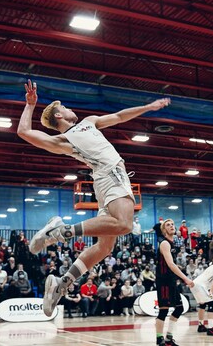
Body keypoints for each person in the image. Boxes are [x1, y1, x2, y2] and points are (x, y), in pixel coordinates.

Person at [18, 79, 170, 317]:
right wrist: (30, 105)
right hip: (110, 175)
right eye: (65, 107)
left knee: (105, 247)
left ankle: (62, 283)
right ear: (59, 114)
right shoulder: (63, 140)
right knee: (124, 224)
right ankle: (57, 232)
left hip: (106, 180)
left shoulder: (89, 122)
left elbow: (119, 117)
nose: (70, 108)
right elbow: (24, 132)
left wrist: (148, 107)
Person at [154, 219, 194, 346]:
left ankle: (169, 338)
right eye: (168, 225)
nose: (171, 226)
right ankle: (159, 339)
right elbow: (170, 264)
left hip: (171, 280)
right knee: (163, 310)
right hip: (163, 281)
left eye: (172, 224)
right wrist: (185, 278)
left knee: (179, 308)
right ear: (164, 230)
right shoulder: (164, 243)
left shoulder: (172, 243)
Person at [190, 253, 213, 336]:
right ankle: (211, 328)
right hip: (201, 285)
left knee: (202, 304)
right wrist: (211, 291)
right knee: (212, 304)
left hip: (195, 283)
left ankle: (201, 326)